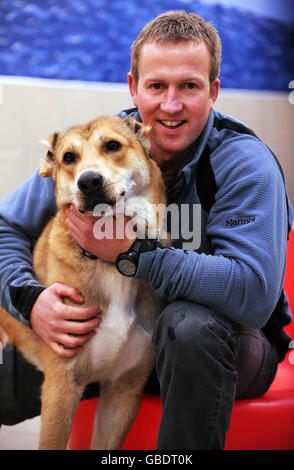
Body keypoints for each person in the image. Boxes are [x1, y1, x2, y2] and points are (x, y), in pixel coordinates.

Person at [0, 10, 293, 450]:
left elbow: (252, 297)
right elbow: (6, 226)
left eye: (189, 86)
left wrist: (133, 251)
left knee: (188, 325)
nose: (170, 105)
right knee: (54, 343)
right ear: (134, 87)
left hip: (231, 342)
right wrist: (29, 298)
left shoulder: (244, 164)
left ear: (212, 92)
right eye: (156, 86)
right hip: (133, 331)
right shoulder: (101, 146)